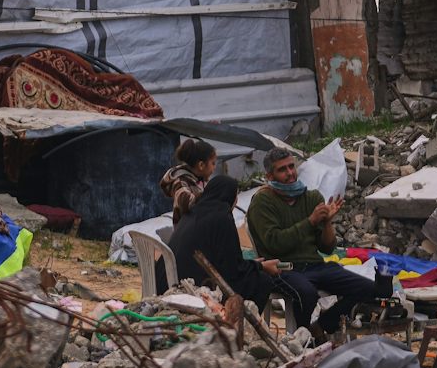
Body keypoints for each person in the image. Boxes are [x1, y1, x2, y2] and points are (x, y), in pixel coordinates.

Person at [247, 152, 392, 336]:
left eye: (292, 166)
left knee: (370, 289)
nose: (290, 173)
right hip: (282, 268)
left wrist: (327, 223)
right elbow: (275, 243)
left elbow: (327, 248)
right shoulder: (262, 201)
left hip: (315, 266)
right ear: (269, 176)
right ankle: (300, 339)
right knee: (306, 293)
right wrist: (311, 221)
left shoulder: (312, 198)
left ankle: (321, 326)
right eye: (282, 170)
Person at [169, 174, 284, 310]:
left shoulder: (192, 212)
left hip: (174, 280)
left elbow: (222, 260)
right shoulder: (222, 218)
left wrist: (252, 265)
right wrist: (261, 267)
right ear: (231, 197)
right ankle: (241, 324)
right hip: (197, 287)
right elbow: (232, 270)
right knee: (262, 281)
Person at [161, 138, 217, 222]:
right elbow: (185, 202)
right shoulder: (180, 181)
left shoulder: (199, 180)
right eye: (213, 163)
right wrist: (209, 195)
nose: (214, 167)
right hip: (186, 231)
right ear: (201, 165)